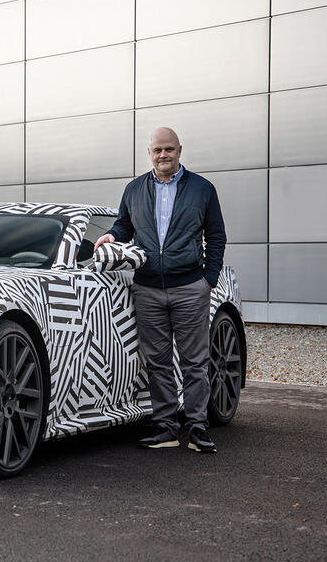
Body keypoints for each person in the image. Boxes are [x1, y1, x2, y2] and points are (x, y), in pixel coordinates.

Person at [95, 127, 226, 453]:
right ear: (149, 152)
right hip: (148, 288)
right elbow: (124, 225)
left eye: (169, 149)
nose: (163, 155)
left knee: (195, 362)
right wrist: (112, 236)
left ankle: (197, 428)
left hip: (189, 287)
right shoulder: (135, 188)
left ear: (179, 150)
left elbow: (217, 235)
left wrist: (207, 279)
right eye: (157, 150)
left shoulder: (202, 189)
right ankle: (166, 428)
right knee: (158, 362)